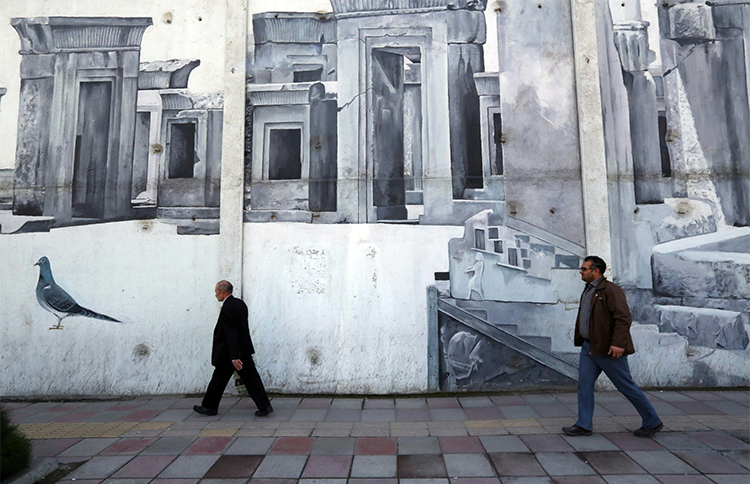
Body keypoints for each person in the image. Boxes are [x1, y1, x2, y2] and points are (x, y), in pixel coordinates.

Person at [562, 256, 662, 438]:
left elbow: (623, 318)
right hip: (588, 348)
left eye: (584, 269)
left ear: (596, 271)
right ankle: (583, 425)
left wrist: (618, 343)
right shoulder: (588, 290)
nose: (580, 272)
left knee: (626, 386)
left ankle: (652, 421)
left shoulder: (611, 290)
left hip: (608, 349)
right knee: (584, 385)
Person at [194, 281, 274, 417]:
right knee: (252, 379)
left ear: (222, 292)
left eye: (216, 292)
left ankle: (209, 407)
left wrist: (234, 356)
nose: (215, 295)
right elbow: (241, 330)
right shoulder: (240, 304)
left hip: (230, 353)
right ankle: (265, 406)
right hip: (243, 349)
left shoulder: (227, 307)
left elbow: (230, 333)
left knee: (218, 380)